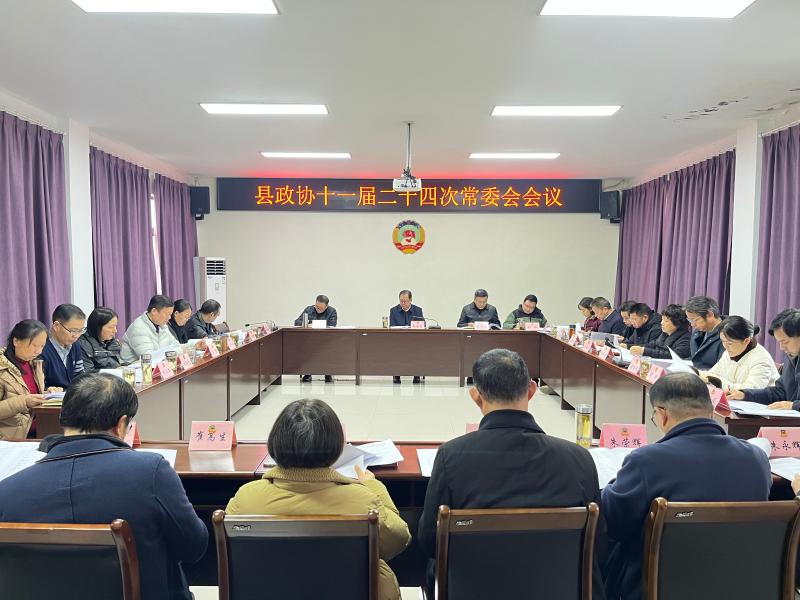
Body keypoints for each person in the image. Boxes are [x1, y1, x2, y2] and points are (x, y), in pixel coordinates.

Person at [0, 373, 208, 600]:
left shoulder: (7, 492)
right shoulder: (151, 471)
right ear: (121, 424)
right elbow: (193, 547)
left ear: (62, 417)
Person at [418, 349, 605, 599]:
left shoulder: (451, 457)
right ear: (532, 390)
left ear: (476, 396)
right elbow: (597, 541)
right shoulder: (578, 459)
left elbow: (430, 541)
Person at [602, 372, 771, 600]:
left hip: (660, 586)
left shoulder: (647, 460)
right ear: (710, 410)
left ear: (662, 414)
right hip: (741, 585)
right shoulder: (757, 459)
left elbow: (612, 522)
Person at [226, 398, 410, 600]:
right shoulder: (362, 501)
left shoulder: (246, 498)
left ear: (275, 443)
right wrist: (373, 486)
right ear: (336, 447)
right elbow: (398, 539)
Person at [729, 308, 800, 410]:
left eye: (785, 342)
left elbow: (792, 403)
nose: (781, 347)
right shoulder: (792, 357)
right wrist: (745, 394)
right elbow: (780, 392)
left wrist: (794, 406)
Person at [0, 320, 59, 439]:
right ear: (16, 341)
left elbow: (30, 393)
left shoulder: (34, 364)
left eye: (42, 346)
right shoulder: (2, 369)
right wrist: (24, 401)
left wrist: (48, 394)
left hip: (40, 429)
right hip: (11, 438)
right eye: (34, 345)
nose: (38, 351)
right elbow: (25, 399)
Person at [699, 316, 779, 393]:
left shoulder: (761, 359)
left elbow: (750, 391)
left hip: (759, 402)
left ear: (746, 341)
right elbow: (713, 374)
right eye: (723, 341)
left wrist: (716, 381)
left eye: (729, 343)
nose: (725, 346)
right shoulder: (730, 352)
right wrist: (697, 374)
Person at [120, 295, 179, 363]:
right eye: (167, 314)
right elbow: (150, 358)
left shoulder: (162, 325)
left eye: (170, 314)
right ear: (154, 311)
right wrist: (174, 352)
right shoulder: (138, 329)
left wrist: (186, 347)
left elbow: (176, 346)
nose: (169, 318)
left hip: (157, 366)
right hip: (132, 367)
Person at [40, 303, 86, 389]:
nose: (76, 336)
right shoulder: (41, 348)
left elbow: (79, 376)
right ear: (56, 326)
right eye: (73, 330)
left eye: (80, 331)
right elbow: (39, 386)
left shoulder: (75, 345)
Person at [294, 295, 338, 383]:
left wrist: (312, 323)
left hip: (325, 339)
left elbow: (332, 325)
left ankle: (328, 373)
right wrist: (306, 323)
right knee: (306, 348)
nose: (317, 309)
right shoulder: (309, 309)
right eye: (316, 306)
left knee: (328, 348)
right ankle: (307, 373)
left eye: (320, 308)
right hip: (310, 338)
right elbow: (297, 322)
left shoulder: (332, 311)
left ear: (326, 306)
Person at [389, 290, 424, 384]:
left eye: (405, 301)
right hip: (398, 340)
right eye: (401, 301)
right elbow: (392, 326)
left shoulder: (418, 310)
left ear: (411, 300)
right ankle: (396, 375)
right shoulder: (393, 310)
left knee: (418, 348)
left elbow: (422, 325)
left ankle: (417, 375)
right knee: (395, 349)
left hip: (414, 340)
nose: (403, 303)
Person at [685, 295, 725, 370]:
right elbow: (697, 359)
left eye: (694, 320)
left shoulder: (727, 335)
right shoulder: (698, 332)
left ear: (710, 315)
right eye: (690, 320)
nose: (692, 324)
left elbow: (722, 369)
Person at [78, 307, 123, 374]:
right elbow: (88, 374)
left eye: (115, 326)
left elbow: (115, 364)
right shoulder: (82, 345)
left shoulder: (110, 341)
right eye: (110, 327)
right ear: (97, 327)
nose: (115, 331)